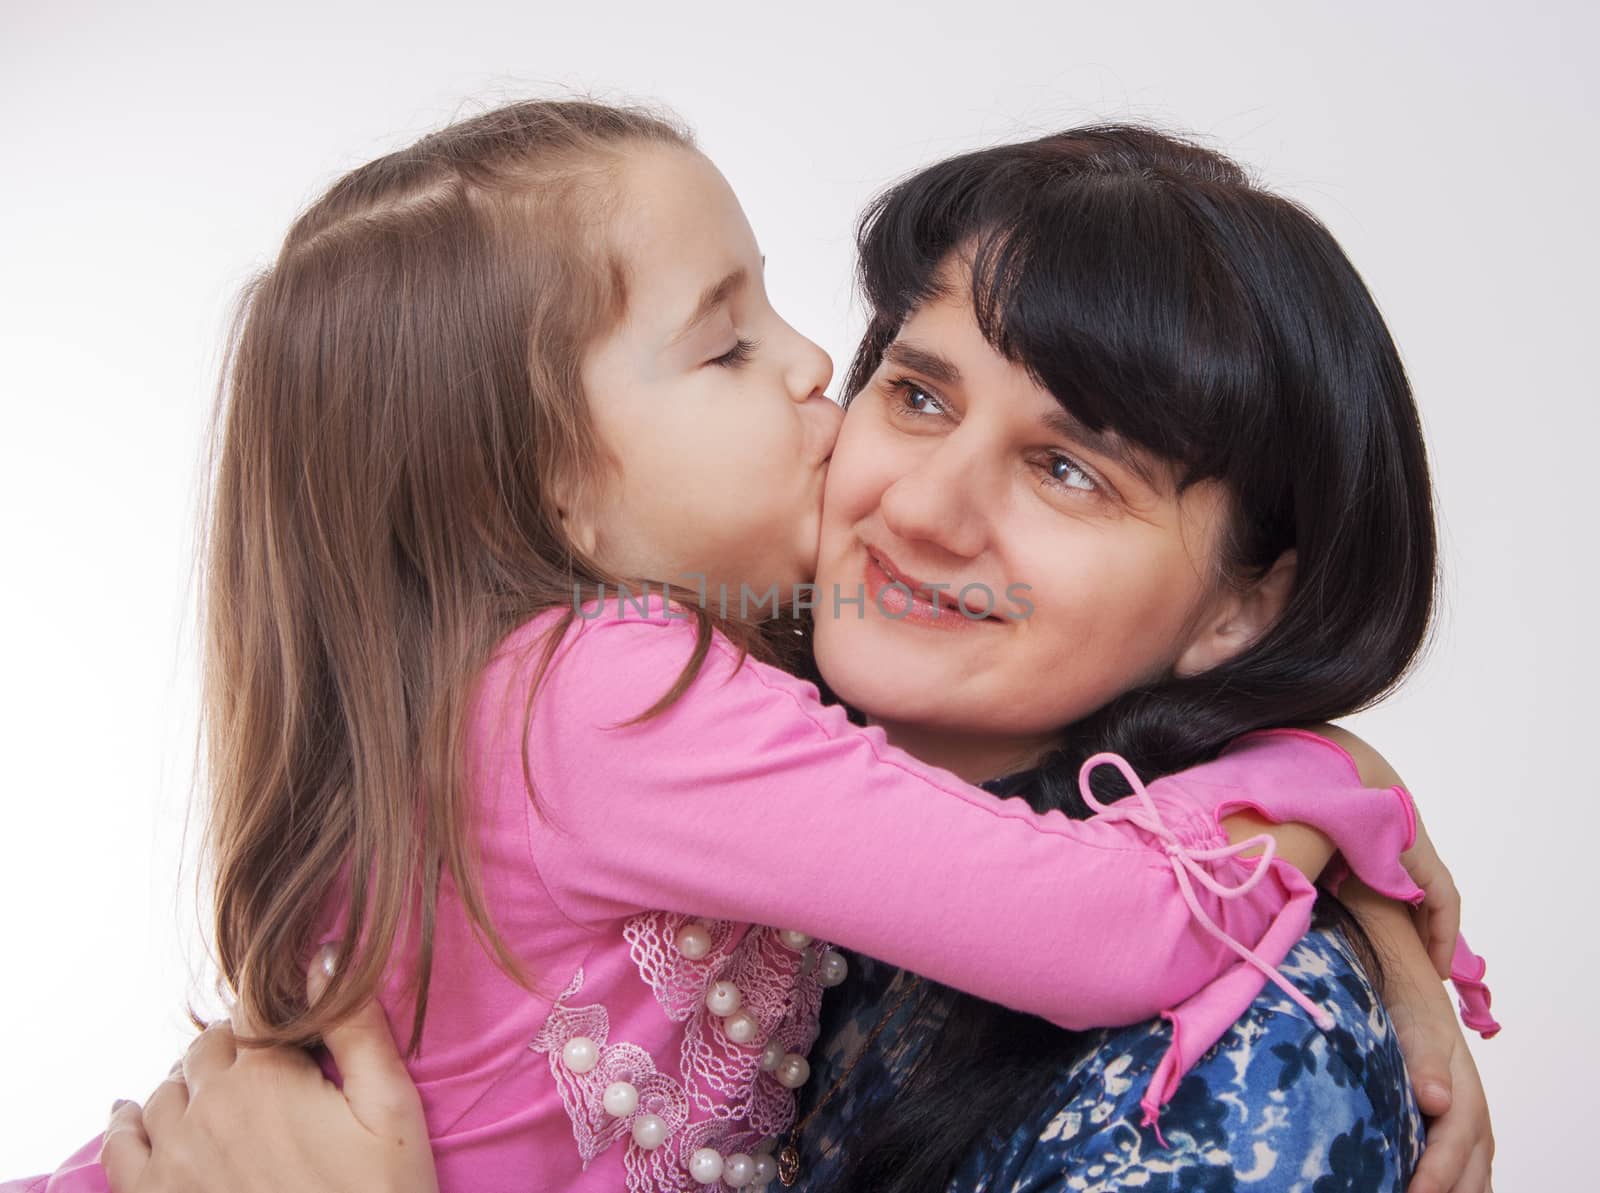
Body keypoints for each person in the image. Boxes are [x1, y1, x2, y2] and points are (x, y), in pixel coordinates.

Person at [8, 104, 1487, 1193]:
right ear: (548, 487)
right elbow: (1089, 909)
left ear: (1249, 599)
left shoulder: (1241, 1086)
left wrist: (1335, 797)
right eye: (912, 393)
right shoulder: (626, 691)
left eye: (1069, 469)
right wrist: (1306, 799)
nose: (917, 496)